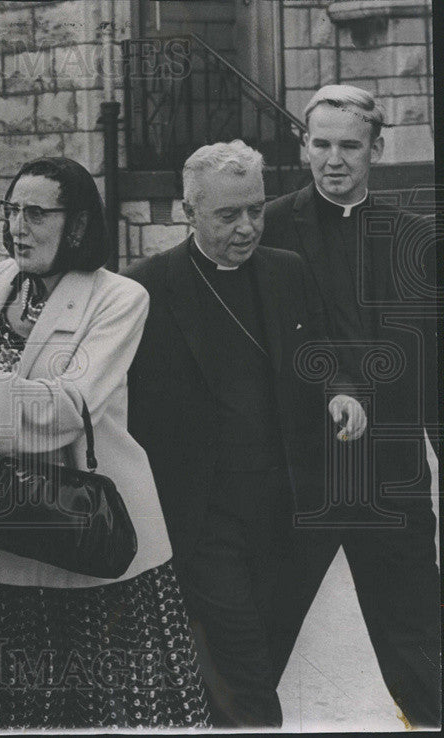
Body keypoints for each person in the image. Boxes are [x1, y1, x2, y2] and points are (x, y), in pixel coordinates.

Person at [0, 156, 210, 729]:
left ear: (77, 225)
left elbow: (73, 406)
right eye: (12, 209)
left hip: (90, 530)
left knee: (114, 710)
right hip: (12, 531)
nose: (18, 225)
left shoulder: (119, 298)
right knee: (23, 708)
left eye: (37, 212)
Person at [123, 140, 367, 727]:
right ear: (190, 213)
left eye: (255, 210)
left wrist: (341, 391)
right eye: (227, 215)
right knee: (247, 669)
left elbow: (322, 355)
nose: (247, 226)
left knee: (256, 657)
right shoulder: (144, 288)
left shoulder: (287, 271)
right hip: (204, 516)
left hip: (284, 509)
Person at [260, 85, 440, 728]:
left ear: (377, 149)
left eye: (350, 145)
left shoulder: (415, 239)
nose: (333, 159)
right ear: (303, 145)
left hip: (390, 476)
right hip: (297, 473)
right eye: (321, 143)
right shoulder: (267, 226)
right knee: (252, 651)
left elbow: (433, 361)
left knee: (423, 648)